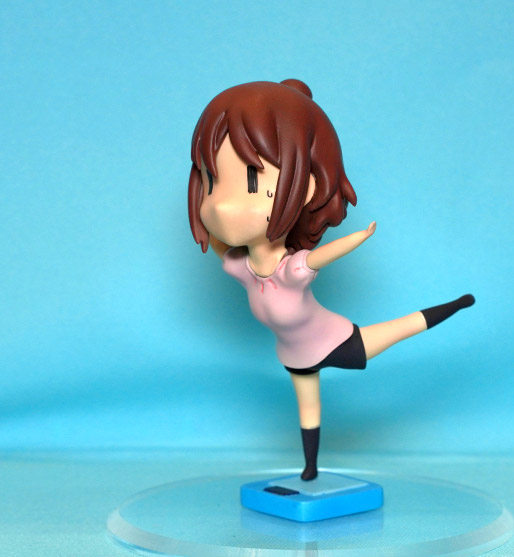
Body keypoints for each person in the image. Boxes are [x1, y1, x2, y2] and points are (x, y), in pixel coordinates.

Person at [187, 79, 474, 480]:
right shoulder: (243, 269)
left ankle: (457, 304)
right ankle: (310, 467)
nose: (220, 204)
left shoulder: (291, 270)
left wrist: (360, 236)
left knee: (402, 328)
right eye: (211, 182)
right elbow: (221, 245)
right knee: (309, 409)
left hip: (337, 340)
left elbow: (322, 255)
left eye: (252, 181)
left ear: (306, 186)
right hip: (294, 355)